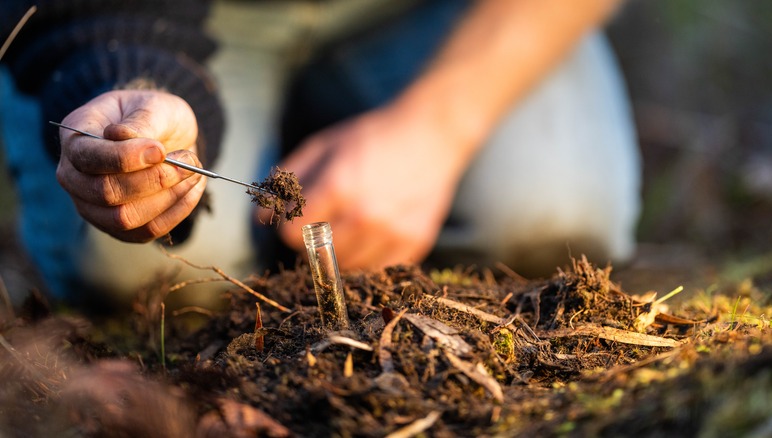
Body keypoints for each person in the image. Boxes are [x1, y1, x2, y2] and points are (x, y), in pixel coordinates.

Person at [0, 0, 640, 309]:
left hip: (429, 13)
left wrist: (436, 129)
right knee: (150, 281)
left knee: (549, 214)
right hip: (178, 16)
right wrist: (133, 82)